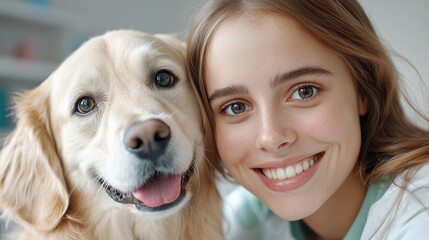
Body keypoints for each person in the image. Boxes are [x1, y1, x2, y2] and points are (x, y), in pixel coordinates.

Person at [185, 0, 429, 239]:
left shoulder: (421, 213)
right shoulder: (241, 223)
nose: (271, 138)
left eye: (304, 91)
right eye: (235, 107)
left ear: (364, 89)